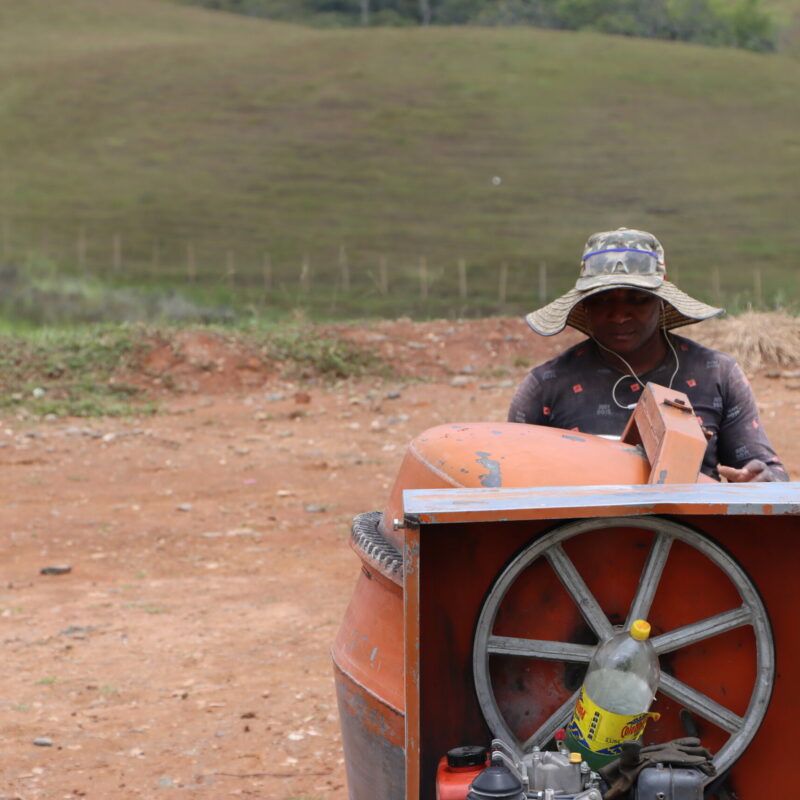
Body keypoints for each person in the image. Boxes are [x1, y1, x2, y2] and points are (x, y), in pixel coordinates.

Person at [508, 227, 788, 482]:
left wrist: (760, 479)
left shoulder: (716, 374)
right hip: (580, 535)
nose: (619, 316)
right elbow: (508, 475)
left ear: (661, 303)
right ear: (585, 307)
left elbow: (768, 471)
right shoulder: (547, 385)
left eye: (638, 299)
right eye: (603, 300)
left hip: (690, 534)